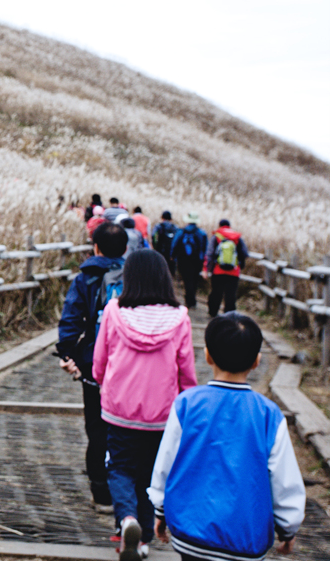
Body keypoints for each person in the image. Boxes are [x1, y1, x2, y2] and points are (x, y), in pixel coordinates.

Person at [148, 314, 304, 560]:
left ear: (207, 356)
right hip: (245, 540)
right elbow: (284, 480)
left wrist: (159, 511)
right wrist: (288, 529)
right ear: (256, 361)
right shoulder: (268, 415)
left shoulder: (187, 404)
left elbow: (165, 462)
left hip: (191, 534)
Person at [93, 249, 197, 559]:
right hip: (162, 414)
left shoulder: (113, 311)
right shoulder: (180, 317)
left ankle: (126, 520)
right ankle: (143, 540)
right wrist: (186, 406)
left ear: (130, 278)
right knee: (153, 474)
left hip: (119, 409)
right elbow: (186, 370)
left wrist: (103, 383)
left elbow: (100, 360)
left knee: (120, 467)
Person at [57, 221, 128, 511]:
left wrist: (67, 353)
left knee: (97, 429)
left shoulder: (85, 277)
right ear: (126, 248)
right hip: (129, 365)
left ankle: (101, 494)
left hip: (93, 365)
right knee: (125, 428)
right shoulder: (135, 275)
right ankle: (125, 487)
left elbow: (71, 318)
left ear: (95, 246)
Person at [205, 219, 249, 317]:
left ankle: (213, 313)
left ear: (220, 225)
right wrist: (239, 264)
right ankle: (229, 315)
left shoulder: (216, 236)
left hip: (218, 271)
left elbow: (209, 253)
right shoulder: (237, 237)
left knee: (216, 292)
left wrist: (208, 268)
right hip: (234, 272)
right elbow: (245, 253)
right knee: (230, 295)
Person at [171, 214, 207, 310]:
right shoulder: (201, 233)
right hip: (197, 261)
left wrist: (172, 255)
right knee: (194, 280)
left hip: (183, 260)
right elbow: (205, 248)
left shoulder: (181, 231)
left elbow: (175, 243)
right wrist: (203, 260)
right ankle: (192, 300)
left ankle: (189, 301)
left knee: (187, 280)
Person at [151, 212, 179, 276]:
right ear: (170, 218)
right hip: (171, 254)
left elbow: (153, 236)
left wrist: (155, 247)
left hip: (161, 252)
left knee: (160, 270)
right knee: (171, 272)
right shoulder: (175, 227)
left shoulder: (158, 226)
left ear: (162, 217)